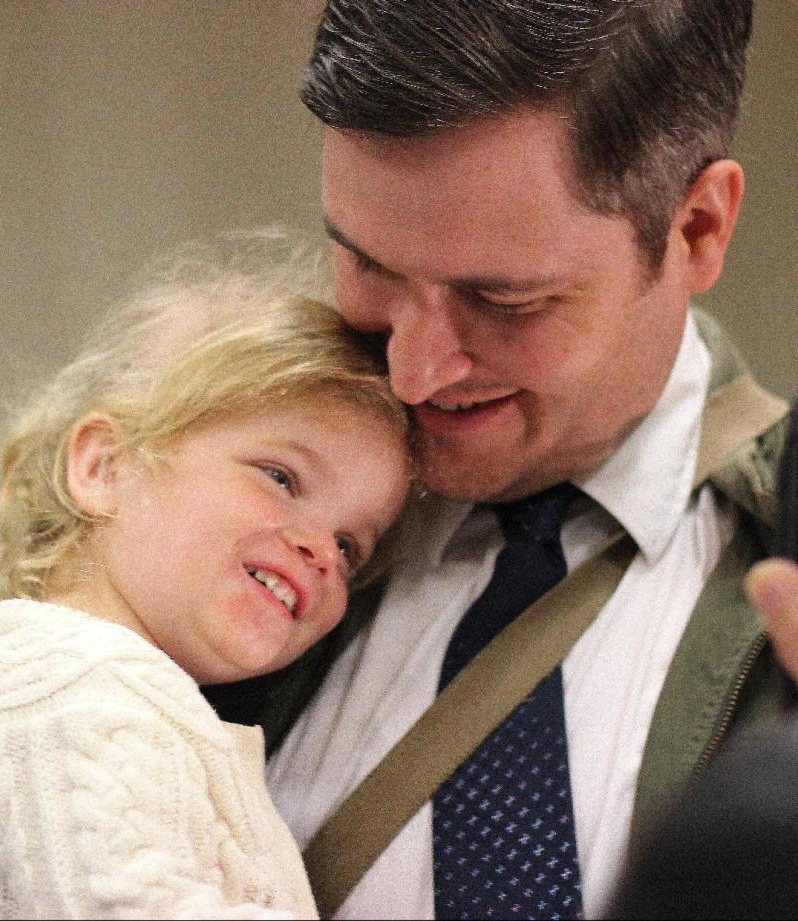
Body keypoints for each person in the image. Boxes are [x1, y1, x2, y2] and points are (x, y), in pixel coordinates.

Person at [205, 2, 795, 919]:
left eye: (504, 299)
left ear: (697, 229)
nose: (413, 369)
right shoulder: (211, 479)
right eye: (366, 266)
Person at [0, 252, 412, 919]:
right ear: (105, 465)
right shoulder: (66, 702)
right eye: (281, 477)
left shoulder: (29, 694)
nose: (320, 549)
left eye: (350, 545)